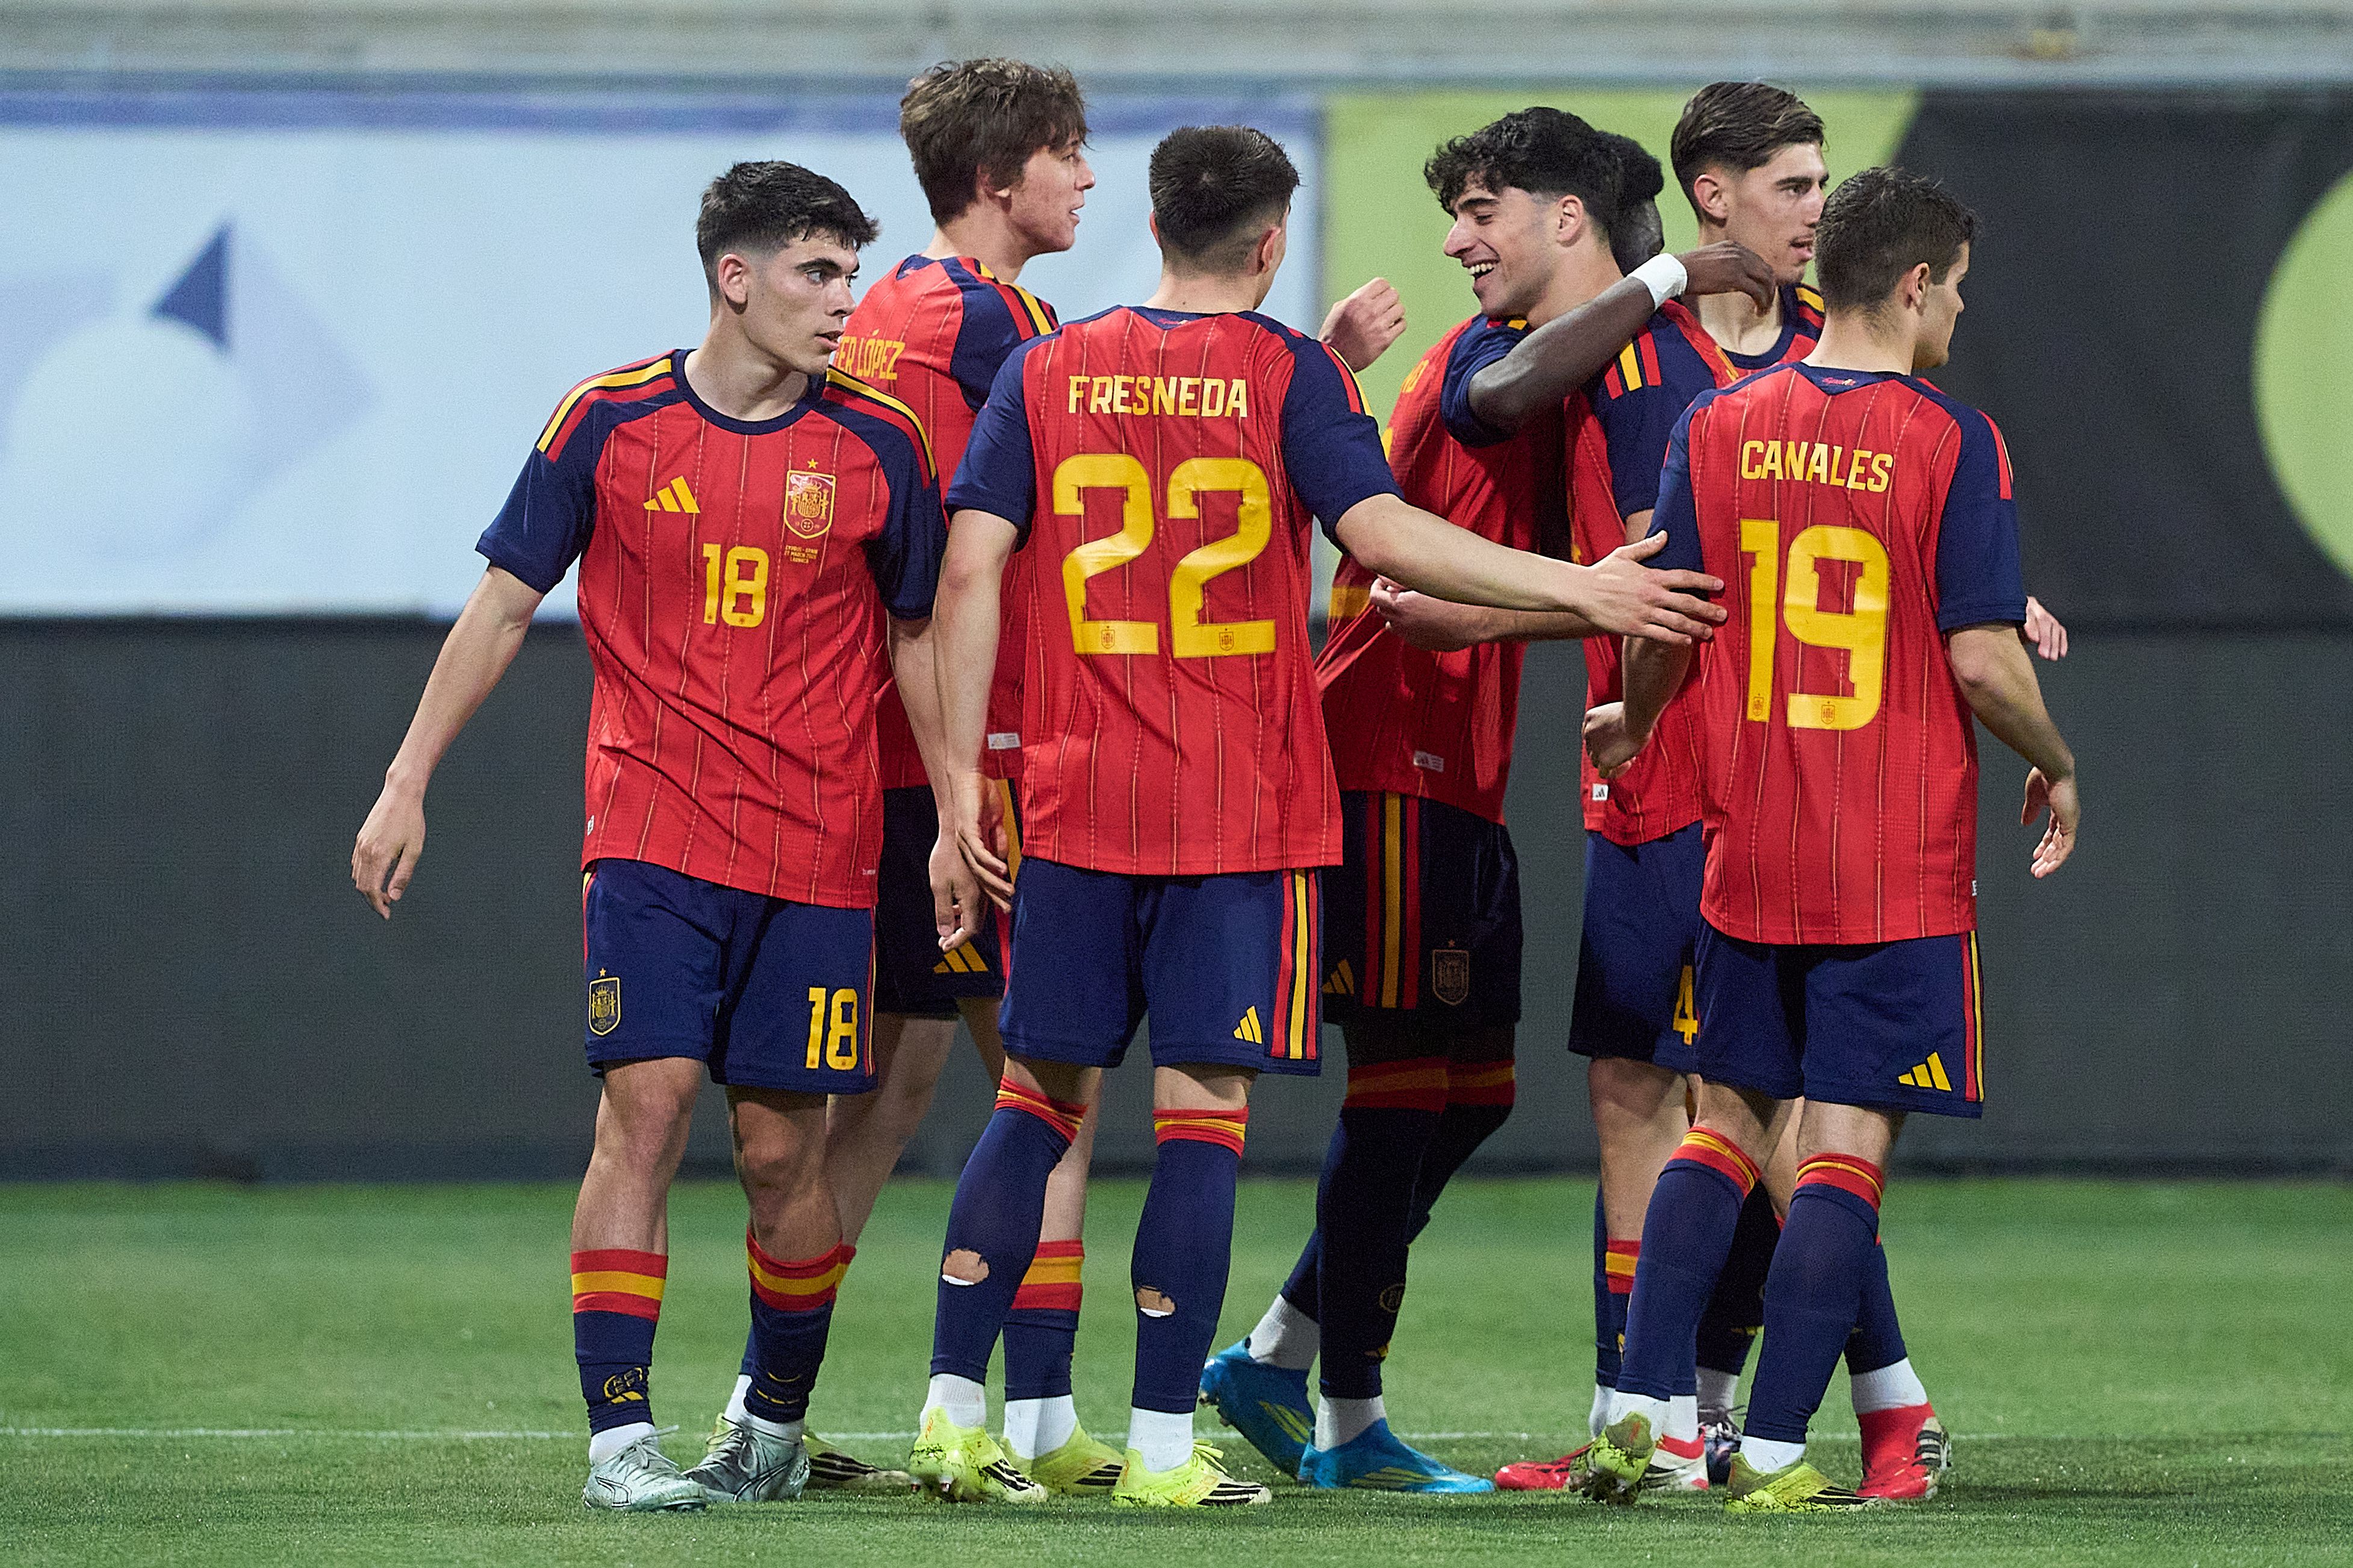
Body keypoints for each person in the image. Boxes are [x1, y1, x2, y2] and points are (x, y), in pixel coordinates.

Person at [912, 123, 1729, 1508]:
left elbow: (967, 576)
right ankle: (1175, 1443)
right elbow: (1385, 538)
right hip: (1242, 801)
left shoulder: (1049, 367)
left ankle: (949, 1415)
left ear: (1155, 223)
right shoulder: (1288, 372)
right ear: (1273, 243)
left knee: (1037, 1097)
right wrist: (1591, 590)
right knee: (1203, 1116)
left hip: (1072, 790)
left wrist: (953, 791)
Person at [349, 162, 949, 1512]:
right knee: (649, 1108)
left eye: (850, 274)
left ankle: (771, 1428)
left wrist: (958, 807)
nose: (844, 303)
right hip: (652, 828)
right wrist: (406, 779)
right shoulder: (607, 420)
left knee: (783, 1153)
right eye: (817, 273)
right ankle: (622, 1444)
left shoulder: (883, 441)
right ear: (734, 279)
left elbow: (915, 637)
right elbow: (503, 604)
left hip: (818, 848)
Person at [1201, 107, 1765, 1496]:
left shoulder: (1595, 371)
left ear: (1569, 217)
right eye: (1459, 212)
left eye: (1481, 211)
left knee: (1475, 1088)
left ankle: (1282, 1347)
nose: (1456, 239)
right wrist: (1587, 601)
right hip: (1381, 745)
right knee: (1405, 1087)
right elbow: (1420, 583)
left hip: (1458, 760)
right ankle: (1343, 1421)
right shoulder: (1496, 363)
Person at [1581, 164, 2080, 1513]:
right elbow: (1981, 660)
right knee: (1843, 1145)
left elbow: (1664, 614)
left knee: (1722, 1125)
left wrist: (1630, 722)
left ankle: (1649, 1410)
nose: (1959, 315)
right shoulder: (1952, 440)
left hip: (1748, 845)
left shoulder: (1718, 421)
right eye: (1957, 289)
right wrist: (2057, 759)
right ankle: (1783, 1451)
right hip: (1893, 862)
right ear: (1915, 284)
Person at [697, 56, 1107, 1499]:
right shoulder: (996, 322)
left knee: (890, 1084)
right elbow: (1065, 488)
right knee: (1050, 1074)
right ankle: (1020, 1417)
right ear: (1000, 181)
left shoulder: (869, 314)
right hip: (963, 750)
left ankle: (769, 1409)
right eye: (1067, 156)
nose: (1086, 180)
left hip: (858, 749)